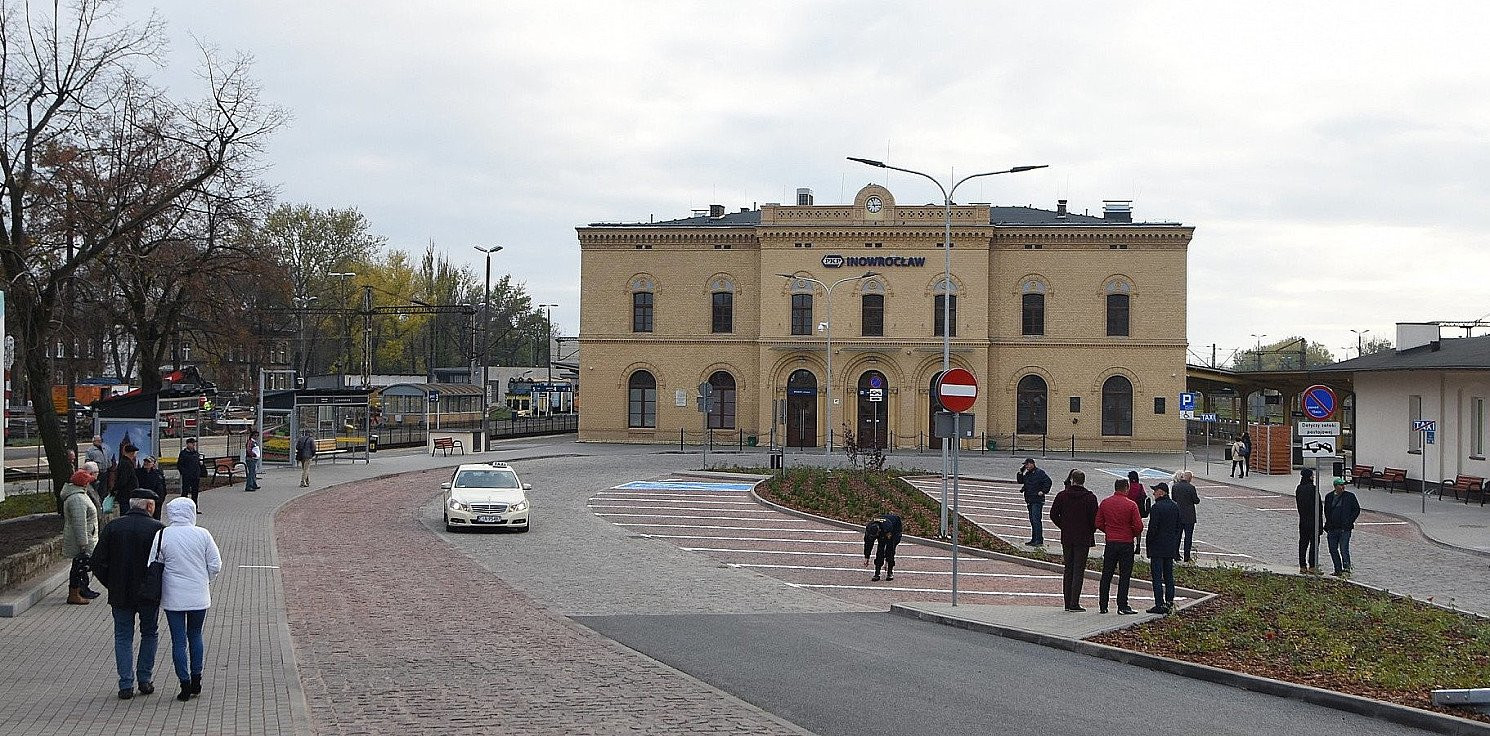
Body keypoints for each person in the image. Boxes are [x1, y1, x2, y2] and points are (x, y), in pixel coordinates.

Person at [91, 489, 165, 699]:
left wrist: (110, 583)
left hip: (120, 592)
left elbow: (97, 561)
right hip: (148, 594)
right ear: (149, 506)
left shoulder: (114, 526)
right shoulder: (157, 529)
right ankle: (145, 679)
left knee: (123, 636)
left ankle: (125, 684)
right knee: (149, 633)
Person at [149, 497, 222, 702]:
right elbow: (215, 564)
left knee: (178, 640)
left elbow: (153, 563)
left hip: (173, 595)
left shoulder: (162, 535)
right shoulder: (202, 534)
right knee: (196, 635)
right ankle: (197, 677)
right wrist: (205, 579)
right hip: (198, 593)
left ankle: (184, 683)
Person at [1050, 469, 1099, 612]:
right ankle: (1074, 602)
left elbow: (1053, 514)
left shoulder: (1062, 496)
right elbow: (1094, 519)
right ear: (1083, 481)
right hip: (1083, 538)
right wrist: (1090, 530)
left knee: (1068, 569)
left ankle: (1067, 602)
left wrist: (1063, 526)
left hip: (1067, 537)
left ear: (1072, 480)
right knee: (1078, 570)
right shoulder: (1090, 498)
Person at [1095, 478, 1143, 614]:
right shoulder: (1131, 505)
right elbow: (1138, 526)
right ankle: (1122, 605)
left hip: (1111, 542)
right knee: (1125, 575)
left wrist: (1108, 530)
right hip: (1126, 543)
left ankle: (1103, 605)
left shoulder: (1105, 503)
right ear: (1126, 488)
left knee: (1107, 574)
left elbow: (1098, 522)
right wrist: (1131, 533)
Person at [61, 467, 101, 604]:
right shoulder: (77, 499)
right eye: (88, 481)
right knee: (79, 566)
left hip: (87, 536)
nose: (89, 483)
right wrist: (83, 544)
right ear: (83, 483)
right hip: (83, 540)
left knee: (80, 566)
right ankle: (74, 594)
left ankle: (79, 590)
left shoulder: (79, 495)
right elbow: (79, 523)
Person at [1144, 482, 1182, 614]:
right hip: (1169, 547)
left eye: (1155, 491)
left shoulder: (1156, 508)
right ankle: (1169, 603)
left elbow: (1152, 528)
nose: (1153, 493)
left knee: (1157, 578)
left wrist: (1148, 544)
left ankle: (1159, 604)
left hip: (1157, 547)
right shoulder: (1175, 506)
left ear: (1162, 492)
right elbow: (1178, 527)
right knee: (1169, 577)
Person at [1324, 477, 1361, 577]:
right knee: (1332, 549)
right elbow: (1326, 511)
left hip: (1345, 528)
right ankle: (1337, 569)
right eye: (1340, 485)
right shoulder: (1329, 497)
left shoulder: (1350, 496)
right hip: (1332, 528)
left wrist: (1349, 521)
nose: (1343, 487)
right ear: (1335, 486)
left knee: (1344, 549)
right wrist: (1328, 523)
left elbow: (1356, 509)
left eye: (1343, 485)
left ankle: (1346, 569)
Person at [1016, 457, 1052, 546]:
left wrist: (1043, 491)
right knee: (1032, 520)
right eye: (1025, 465)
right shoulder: (1028, 474)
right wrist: (1021, 472)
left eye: (1027, 465)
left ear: (1032, 464)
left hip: (1037, 500)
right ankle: (1034, 539)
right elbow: (1020, 481)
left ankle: (1039, 540)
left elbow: (1048, 482)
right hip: (1030, 499)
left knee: (1036, 520)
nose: (1026, 467)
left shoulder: (1040, 473)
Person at [1295, 468, 1323, 574]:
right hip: (1313, 521)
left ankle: (1302, 565)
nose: (1313, 477)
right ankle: (1312, 566)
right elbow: (1319, 507)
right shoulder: (1313, 489)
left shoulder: (1299, 488)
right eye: (1312, 475)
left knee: (1303, 543)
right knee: (1314, 544)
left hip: (1303, 520)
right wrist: (1320, 524)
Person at [861, 512, 903, 582]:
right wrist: (867, 557)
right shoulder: (869, 528)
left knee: (889, 550)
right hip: (883, 528)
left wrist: (887, 560)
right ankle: (877, 573)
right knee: (880, 550)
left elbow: (890, 546)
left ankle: (889, 572)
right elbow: (868, 544)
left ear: (879, 531)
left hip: (895, 528)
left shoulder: (887, 528)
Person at [1170, 470, 1201, 562]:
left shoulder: (1175, 487)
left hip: (1178, 515)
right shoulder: (1191, 487)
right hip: (1189, 516)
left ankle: (1175, 554)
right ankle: (1186, 556)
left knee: (1177, 536)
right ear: (1190, 478)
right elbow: (1196, 500)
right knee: (1188, 537)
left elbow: (1173, 499)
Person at [177, 437, 206, 511]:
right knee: (185, 492)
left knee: (195, 493)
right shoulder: (183, 453)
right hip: (187, 476)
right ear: (188, 444)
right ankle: (183, 508)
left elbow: (198, 463)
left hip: (195, 476)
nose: (193, 445)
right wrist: (184, 473)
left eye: (194, 443)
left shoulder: (196, 453)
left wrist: (199, 470)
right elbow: (179, 465)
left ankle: (194, 508)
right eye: (192, 443)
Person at [110, 443, 140, 512]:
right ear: (131, 453)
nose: (135, 454)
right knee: (126, 512)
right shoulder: (126, 463)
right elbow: (123, 479)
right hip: (126, 494)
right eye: (135, 453)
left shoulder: (126, 462)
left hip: (127, 493)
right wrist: (115, 489)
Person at [85, 435, 114, 501]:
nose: (99, 442)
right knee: (95, 489)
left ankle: (102, 503)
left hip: (105, 472)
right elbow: (87, 461)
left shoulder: (104, 449)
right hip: (96, 473)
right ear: (94, 441)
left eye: (100, 440)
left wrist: (110, 465)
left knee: (103, 490)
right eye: (98, 441)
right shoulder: (90, 450)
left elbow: (108, 459)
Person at [138, 456, 167, 521]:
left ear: (153, 464)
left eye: (148, 462)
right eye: (145, 461)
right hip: (143, 501)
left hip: (156, 502)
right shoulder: (139, 473)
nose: (146, 463)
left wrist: (161, 499)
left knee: (156, 520)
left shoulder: (158, 474)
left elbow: (163, 487)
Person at [244, 427, 262, 491]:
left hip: (254, 459)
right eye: (255, 435)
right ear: (252, 435)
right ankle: (248, 486)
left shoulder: (254, 442)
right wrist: (253, 455)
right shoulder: (250, 442)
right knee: (251, 473)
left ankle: (254, 484)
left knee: (253, 473)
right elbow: (248, 450)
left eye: (257, 435)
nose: (256, 437)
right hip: (251, 459)